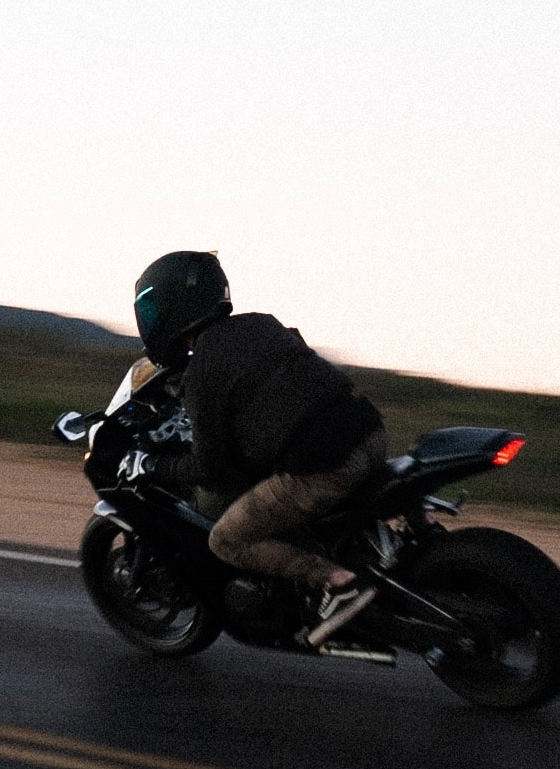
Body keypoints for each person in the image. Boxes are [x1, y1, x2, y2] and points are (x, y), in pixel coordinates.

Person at [131, 250, 392, 646]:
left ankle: (338, 582)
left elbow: (211, 467)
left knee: (227, 540)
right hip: (371, 435)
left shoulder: (202, 368)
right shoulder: (262, 323)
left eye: (152, 310)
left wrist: (155, 466)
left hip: (324, 471)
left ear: (173, 308)